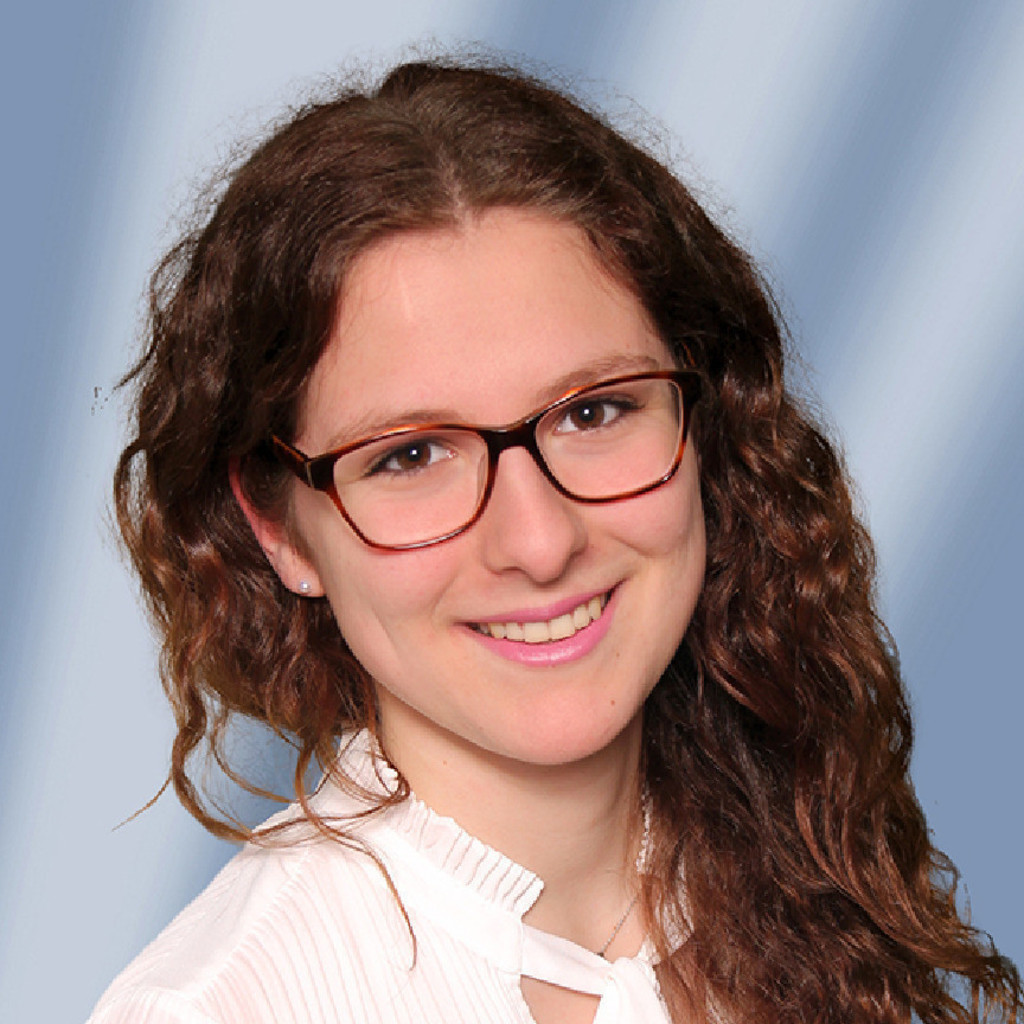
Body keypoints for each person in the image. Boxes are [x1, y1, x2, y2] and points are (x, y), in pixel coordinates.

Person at [90, 59, 1019, 1024]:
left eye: (593, 411)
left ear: (707, 418)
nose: (539, 542)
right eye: (410, 455)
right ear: (280, 530)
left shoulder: (814, 873)